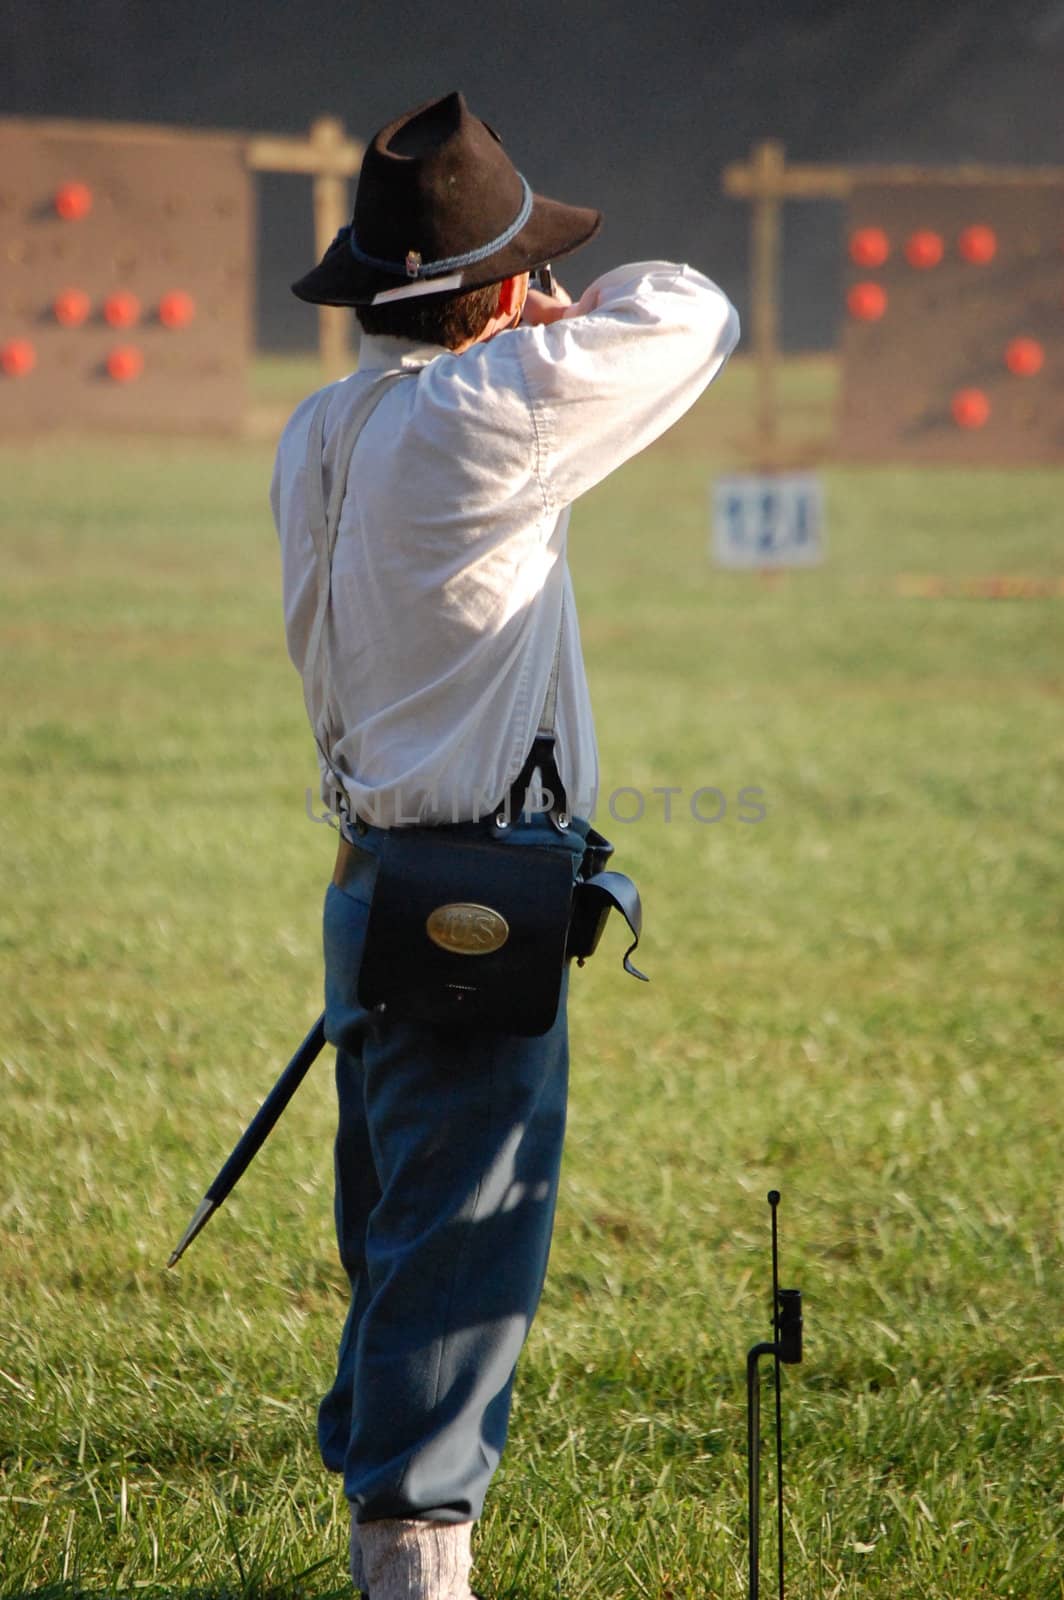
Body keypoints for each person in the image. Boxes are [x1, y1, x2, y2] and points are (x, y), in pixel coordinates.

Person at [270, 90, 739, 1600]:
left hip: (373, 883)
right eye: (523, 271)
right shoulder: (487, 412)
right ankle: (415, 1555)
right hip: (471, 892)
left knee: (401, 1219)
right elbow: (693, 312)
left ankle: (385, 1500)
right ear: (492, 307)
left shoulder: (322, 427)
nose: (546, 289)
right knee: (462, 1240)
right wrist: (555, 314)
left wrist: (509, 306)